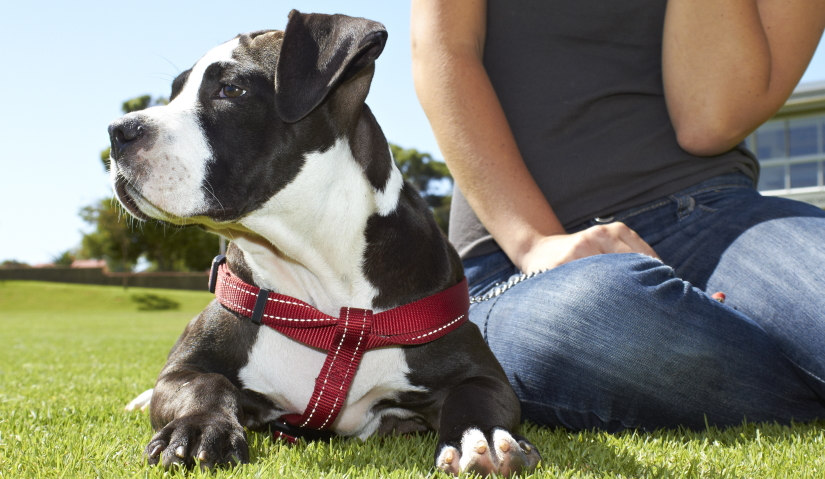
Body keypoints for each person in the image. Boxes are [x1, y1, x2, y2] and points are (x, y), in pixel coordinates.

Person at [410, 0, 825, 431]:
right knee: (595, 316)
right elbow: (443, 50)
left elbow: (707, 120)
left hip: (718, 216)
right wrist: (534, 242)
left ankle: (722, 341)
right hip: (514, 253)